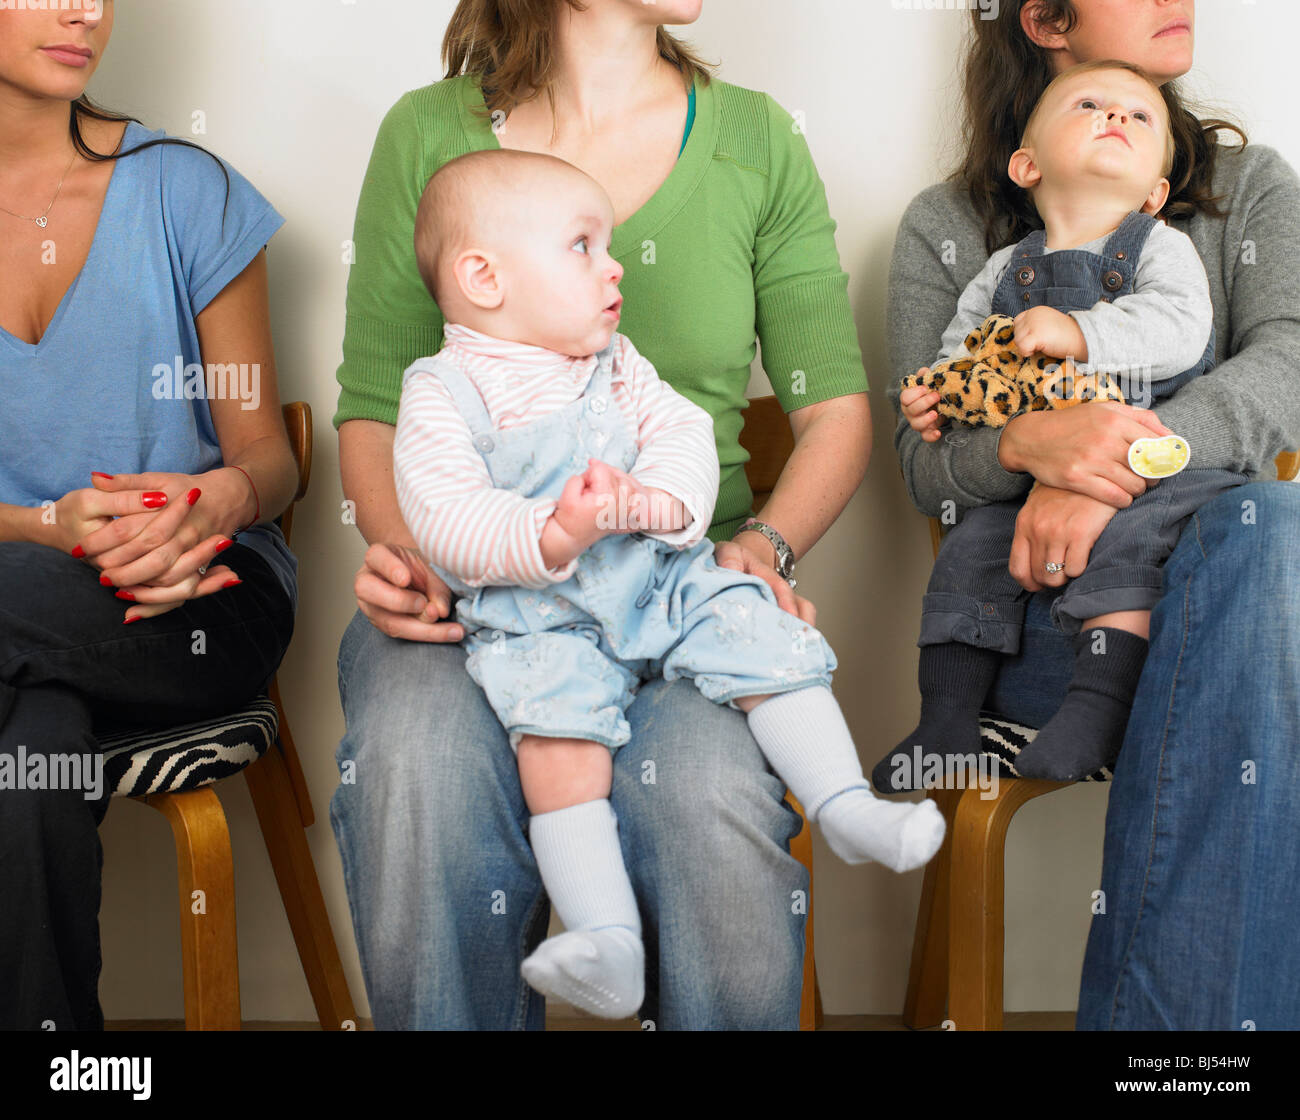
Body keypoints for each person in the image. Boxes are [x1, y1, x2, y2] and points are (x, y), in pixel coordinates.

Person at [331, 0, 872, 1030]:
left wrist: (761, 546)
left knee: (703, 797)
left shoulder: (758, 139)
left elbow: (836, 412)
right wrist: (410, 556)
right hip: (474, 596)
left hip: (669, 592)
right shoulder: (425, 135)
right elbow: (373, 408)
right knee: (415, 768)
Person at [392, 149, 943, 1018]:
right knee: (557, 747)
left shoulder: (616, 363)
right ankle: (606, 942)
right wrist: (551, 532)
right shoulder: (443, 392)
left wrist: (662, 502)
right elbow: (443, 518)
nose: (614, 266)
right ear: (482, 277)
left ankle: (845, 804)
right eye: (583, 246)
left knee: (760, 633)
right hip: (541, 620)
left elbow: (682, 435)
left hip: (657, 579)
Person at [886, 0, 1300, 1028]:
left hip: (1218, 599)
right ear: (1045, 19)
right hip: (1038, 623)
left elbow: (1286, 370)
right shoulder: (952, 232)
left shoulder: (1245, 193)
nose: (1181, 2)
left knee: (1269, 531)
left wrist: (1102, 455)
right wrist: (1029, 445)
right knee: (1259, 646)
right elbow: (923, 460)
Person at [0, 0, 299, 1029]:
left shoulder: (184, 187)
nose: (84, 7)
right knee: (24, 755)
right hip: (25, 621)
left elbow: (270, 456)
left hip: (200, 597)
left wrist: (216, 496)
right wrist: (49, 529)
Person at [877, 59, 1244, 786]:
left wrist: (1076, 332)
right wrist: (937, 397)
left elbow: (1181, 331)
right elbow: (967, 352)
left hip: (1151, 469)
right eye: (1089, 104)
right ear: (1027, 164)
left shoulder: (1159, 247)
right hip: (1035, 481)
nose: (1117, 118)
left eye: (1141, 118)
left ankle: (1095, 711)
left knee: (1133, 550)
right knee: (972, 545)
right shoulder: (1006, 268)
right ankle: (946, 719)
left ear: (1156, 191)